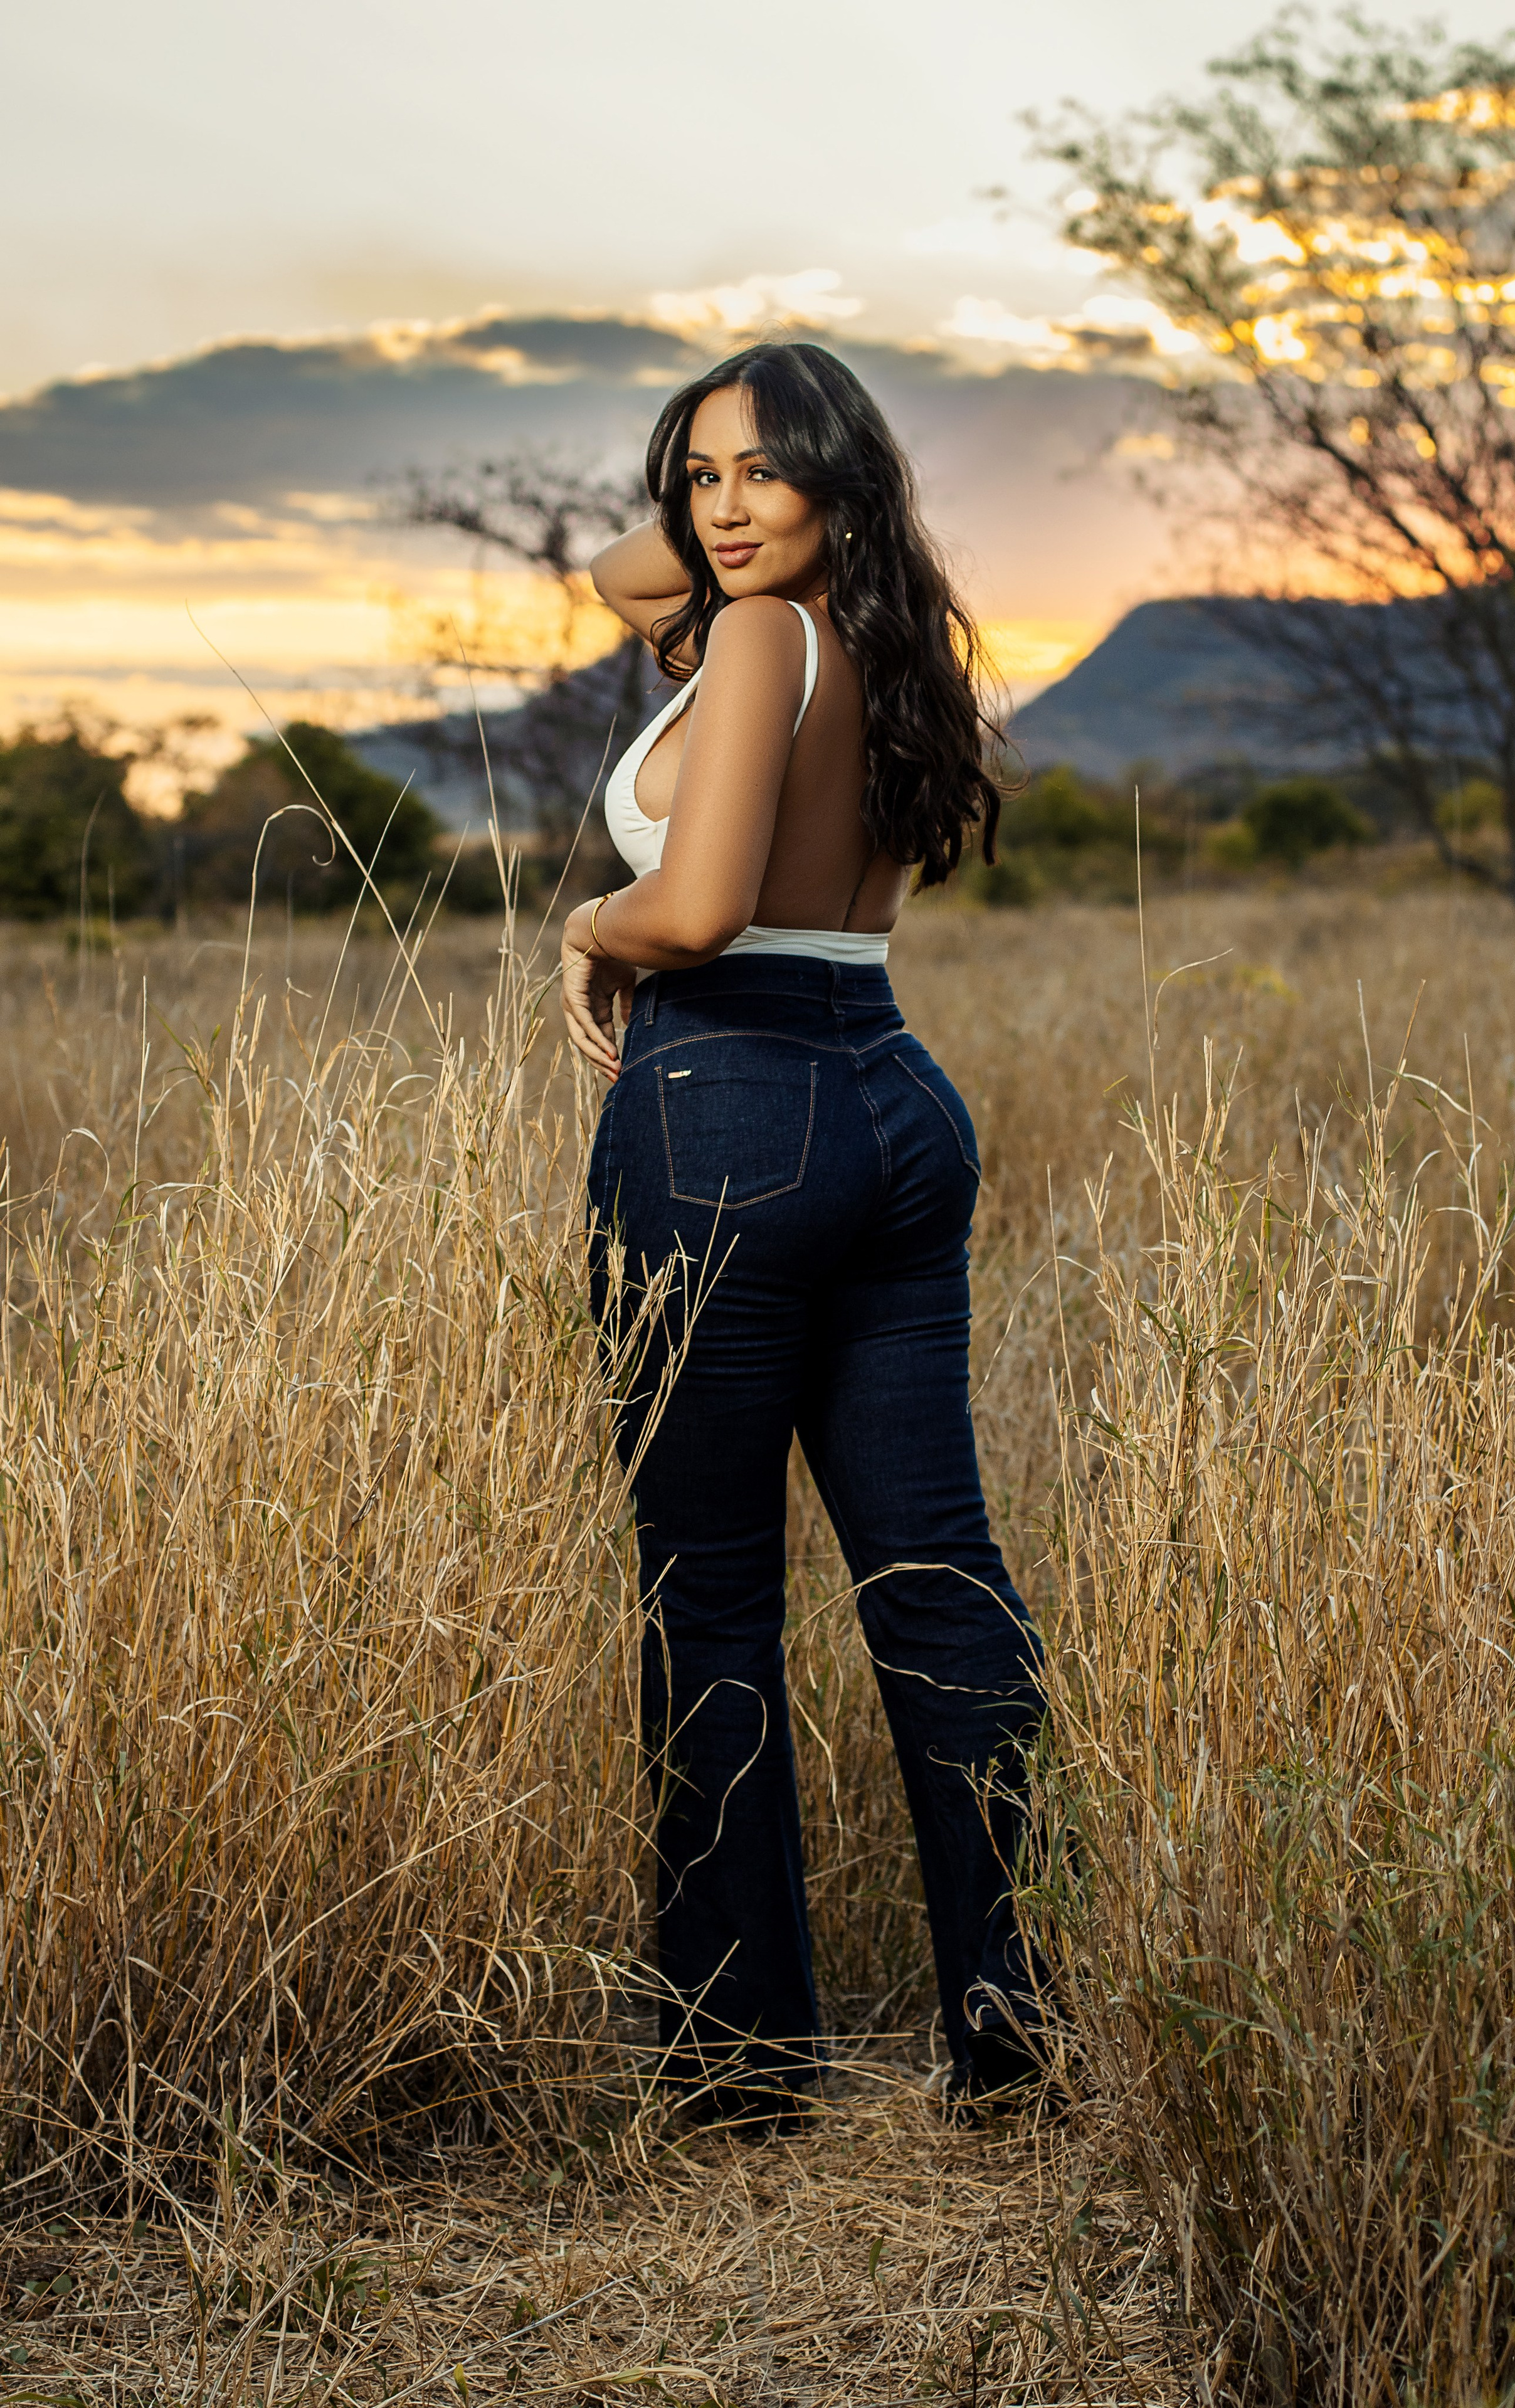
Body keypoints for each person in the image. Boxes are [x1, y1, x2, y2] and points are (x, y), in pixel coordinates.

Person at [562, 340, 1043, 2122]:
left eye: (768, 470)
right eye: (702, 474)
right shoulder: (870, 638)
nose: (722, 508)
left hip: (729, 1110)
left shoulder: (761, 642)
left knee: (710, 1605)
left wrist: (590, 931)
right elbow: (626, 572)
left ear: (842, 476)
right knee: (938, 1583)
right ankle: (1013, 2031)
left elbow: (692, 909)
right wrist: (724, 517)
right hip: (894, 1096)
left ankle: (743, 2068)